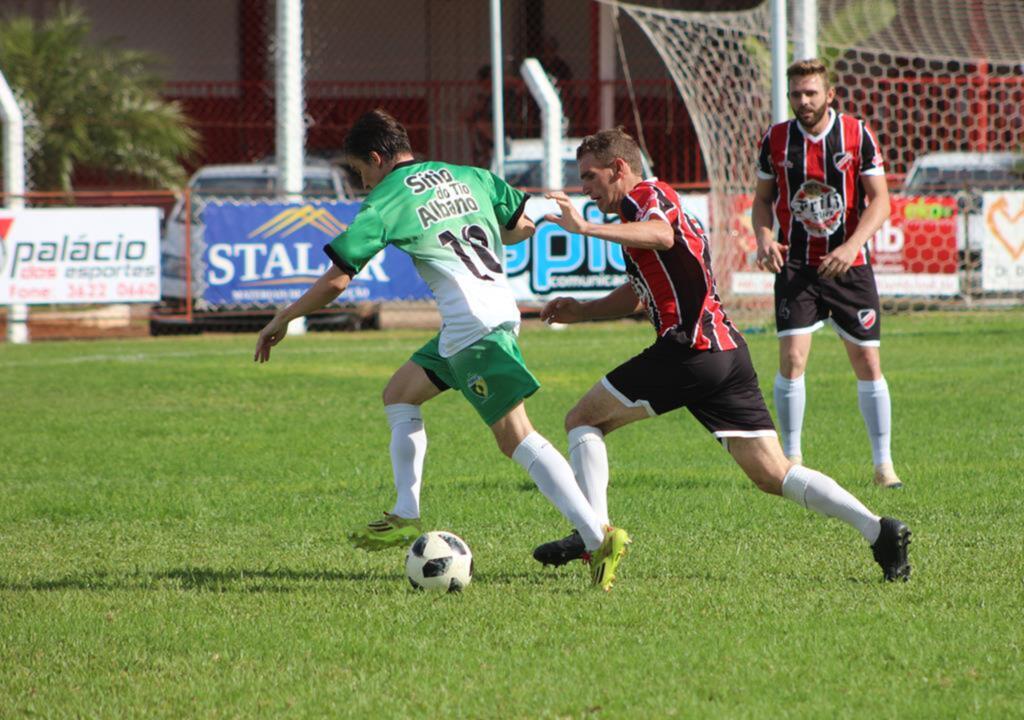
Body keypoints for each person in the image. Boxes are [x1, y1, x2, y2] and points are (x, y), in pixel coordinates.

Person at [254, 109, 629, 591]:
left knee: (515, 435)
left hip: (474, 327)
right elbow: (521, 227)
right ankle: (406, 510)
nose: (363, 182)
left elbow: (338, 279)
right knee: (400, 392)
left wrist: (283, 318)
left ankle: (597, 535)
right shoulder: (469, 175)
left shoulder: (387, 197)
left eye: (360, 171)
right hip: (477, 321)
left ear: (376, 158)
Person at [531, 128, 911, 582]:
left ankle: (593, 535)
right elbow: (641, 291)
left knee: (582, 420)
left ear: (620, 169)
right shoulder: (645, 208)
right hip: (725, 354)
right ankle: (879, 530)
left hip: (688, 351)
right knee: (774, 474)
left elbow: (662, 234)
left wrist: (586, 228)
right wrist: (584, 311)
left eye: (591, 177)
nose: (585, 189)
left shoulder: (645, 198)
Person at [751, 58, 902, 489]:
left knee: (868, 361)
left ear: (829, 94)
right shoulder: (775, 140)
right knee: (792, 360)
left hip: (850, 267)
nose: (804, 101)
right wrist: (764, 238)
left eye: (811, 92)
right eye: (797, 93)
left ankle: (883, 466)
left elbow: (880, 201)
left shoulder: (856, 135)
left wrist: (851, 247)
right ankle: (792, 459)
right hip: (796, 265)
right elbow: (763, 201)